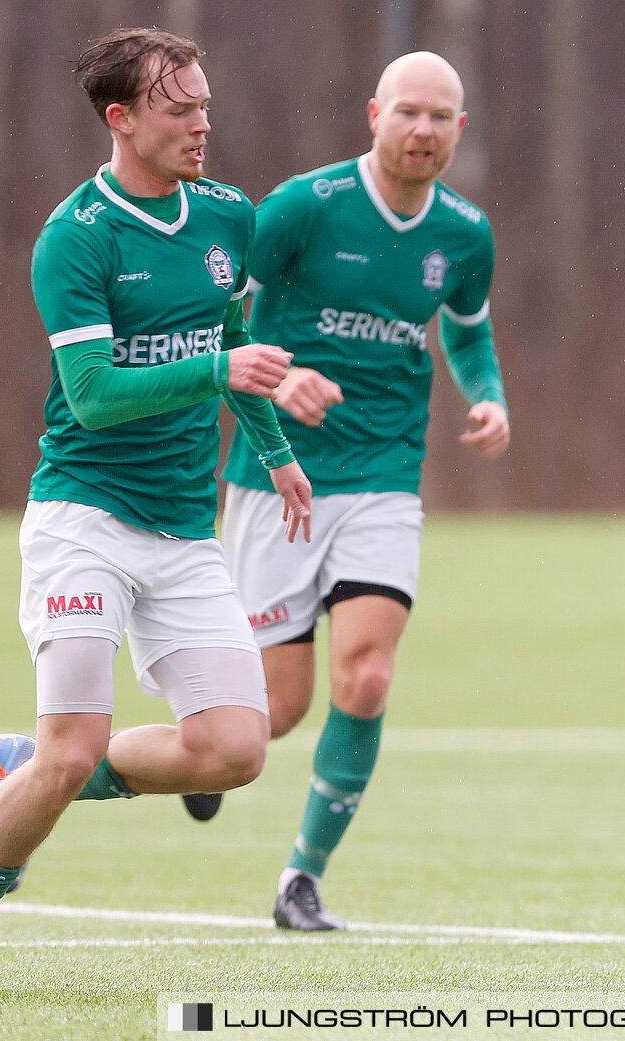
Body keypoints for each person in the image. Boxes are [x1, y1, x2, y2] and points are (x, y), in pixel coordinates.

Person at [0, 28, 311, 993]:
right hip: (83, 520)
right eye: (181, 109)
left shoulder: (227, 215)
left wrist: (277, 452)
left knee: (235, 749)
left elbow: (237, 342)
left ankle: (38, 760)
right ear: (121, 118)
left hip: (183, 528)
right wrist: (218, 368)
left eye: (207, 105)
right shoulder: (77, 238)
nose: (203, 125)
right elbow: (90, 392)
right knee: (71, 753)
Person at [211, 50, 508, 931]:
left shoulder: (465, 233)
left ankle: (302, 876)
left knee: (369, 674)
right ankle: (80, 764)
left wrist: (488, 394)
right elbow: (215, 320)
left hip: (384, 476)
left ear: (461, 130)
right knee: (269, 716)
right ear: (373, 113)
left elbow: (469, 331)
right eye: (405, 111)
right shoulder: (304, 207)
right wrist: (279, 375)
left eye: (438, 117)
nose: (421, 130)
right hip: (276, 476)